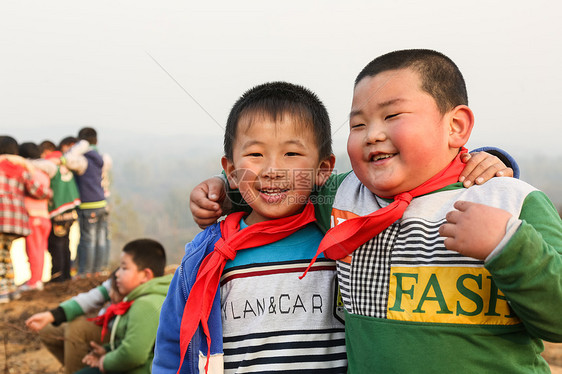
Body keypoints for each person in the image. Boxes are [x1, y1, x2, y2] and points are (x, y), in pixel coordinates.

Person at [298, 49, 562, 373]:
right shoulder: (341, 197)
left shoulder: (511, 202)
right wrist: (222, 191)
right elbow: (274, 182)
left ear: (456, 126)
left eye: (392, 116)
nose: (372, 134)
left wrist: (508, 244)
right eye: (357, 124)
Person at [153, 82, 348, 374]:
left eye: (291, 154)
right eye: (255, 155)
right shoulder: (208, 255)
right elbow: (172, 348)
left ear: (322, 169)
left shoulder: (341, 241)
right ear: (231, 171)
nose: (272, 169)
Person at [76, 238, 171, 374]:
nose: (117, 274)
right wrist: (107, 350)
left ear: (145, 275)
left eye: (124, 268)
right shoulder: (153, 298)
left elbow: (134, 354)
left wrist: (105, 361)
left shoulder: (145, 304)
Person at [26, 271, 114, 373]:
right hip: (105, 325)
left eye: (125, 268)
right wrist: (52, 315)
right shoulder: (120, 277)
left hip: (120, 337)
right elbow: (96, 296)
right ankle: (76, 369)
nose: (118, 274)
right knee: (48, 329)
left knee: (77, 329)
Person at [0, 136, 52, 302]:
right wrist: (50, 194)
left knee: (2, 256)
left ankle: (3, 292)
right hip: (17, 221)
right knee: (5, 255)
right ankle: (10, 290)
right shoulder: (22, 169)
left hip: (1, 219)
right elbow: (40, 191)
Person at [64, 127, 111, 276]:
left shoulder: (83, 161)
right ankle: (99, 270)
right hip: (102, 203)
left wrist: (79, 147)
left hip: (88, 205)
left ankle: (85, 273)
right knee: (101, 239)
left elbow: (66, 159)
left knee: (88, 240)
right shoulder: (103, 159)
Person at [40, 138, 81, 282]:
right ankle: (66, 274)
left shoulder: (49, 164)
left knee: (56, 245)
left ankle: (57, 276)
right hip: (71, 210)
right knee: (65, 244)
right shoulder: (65, 162)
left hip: (57, 213)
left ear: (46, 152)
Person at [17, 142, 53, 290]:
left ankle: (34, 282)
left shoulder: (29, 173)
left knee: (32, 251)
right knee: (40, 250)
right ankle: (37, 279)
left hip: (33, 217)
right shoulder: (45, 173)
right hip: (45, 217)